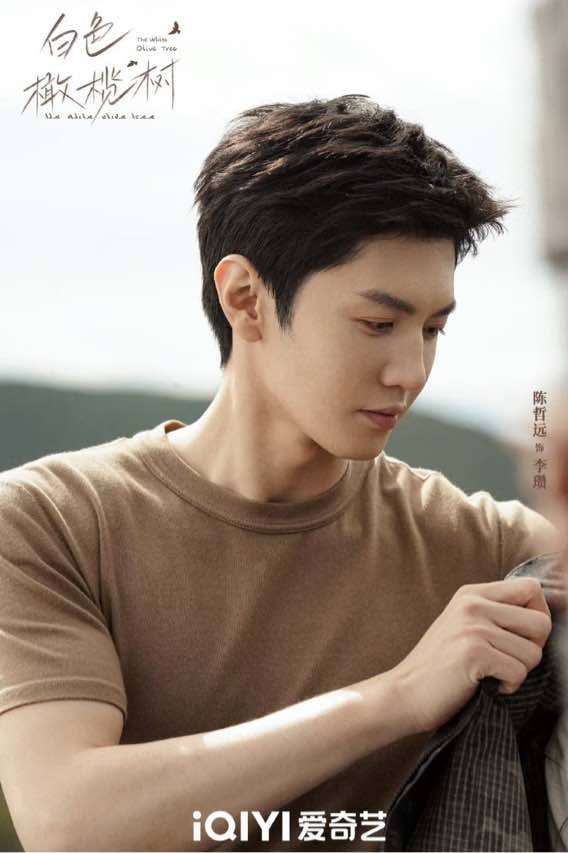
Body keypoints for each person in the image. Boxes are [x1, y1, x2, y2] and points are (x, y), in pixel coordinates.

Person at [0, 94, 561, 852]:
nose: (411, 370)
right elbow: (70, 822)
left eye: (433, 329)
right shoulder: (53, 523)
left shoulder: (485, 545)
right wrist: (397, 697)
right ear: (245, 299)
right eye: (378, 323)